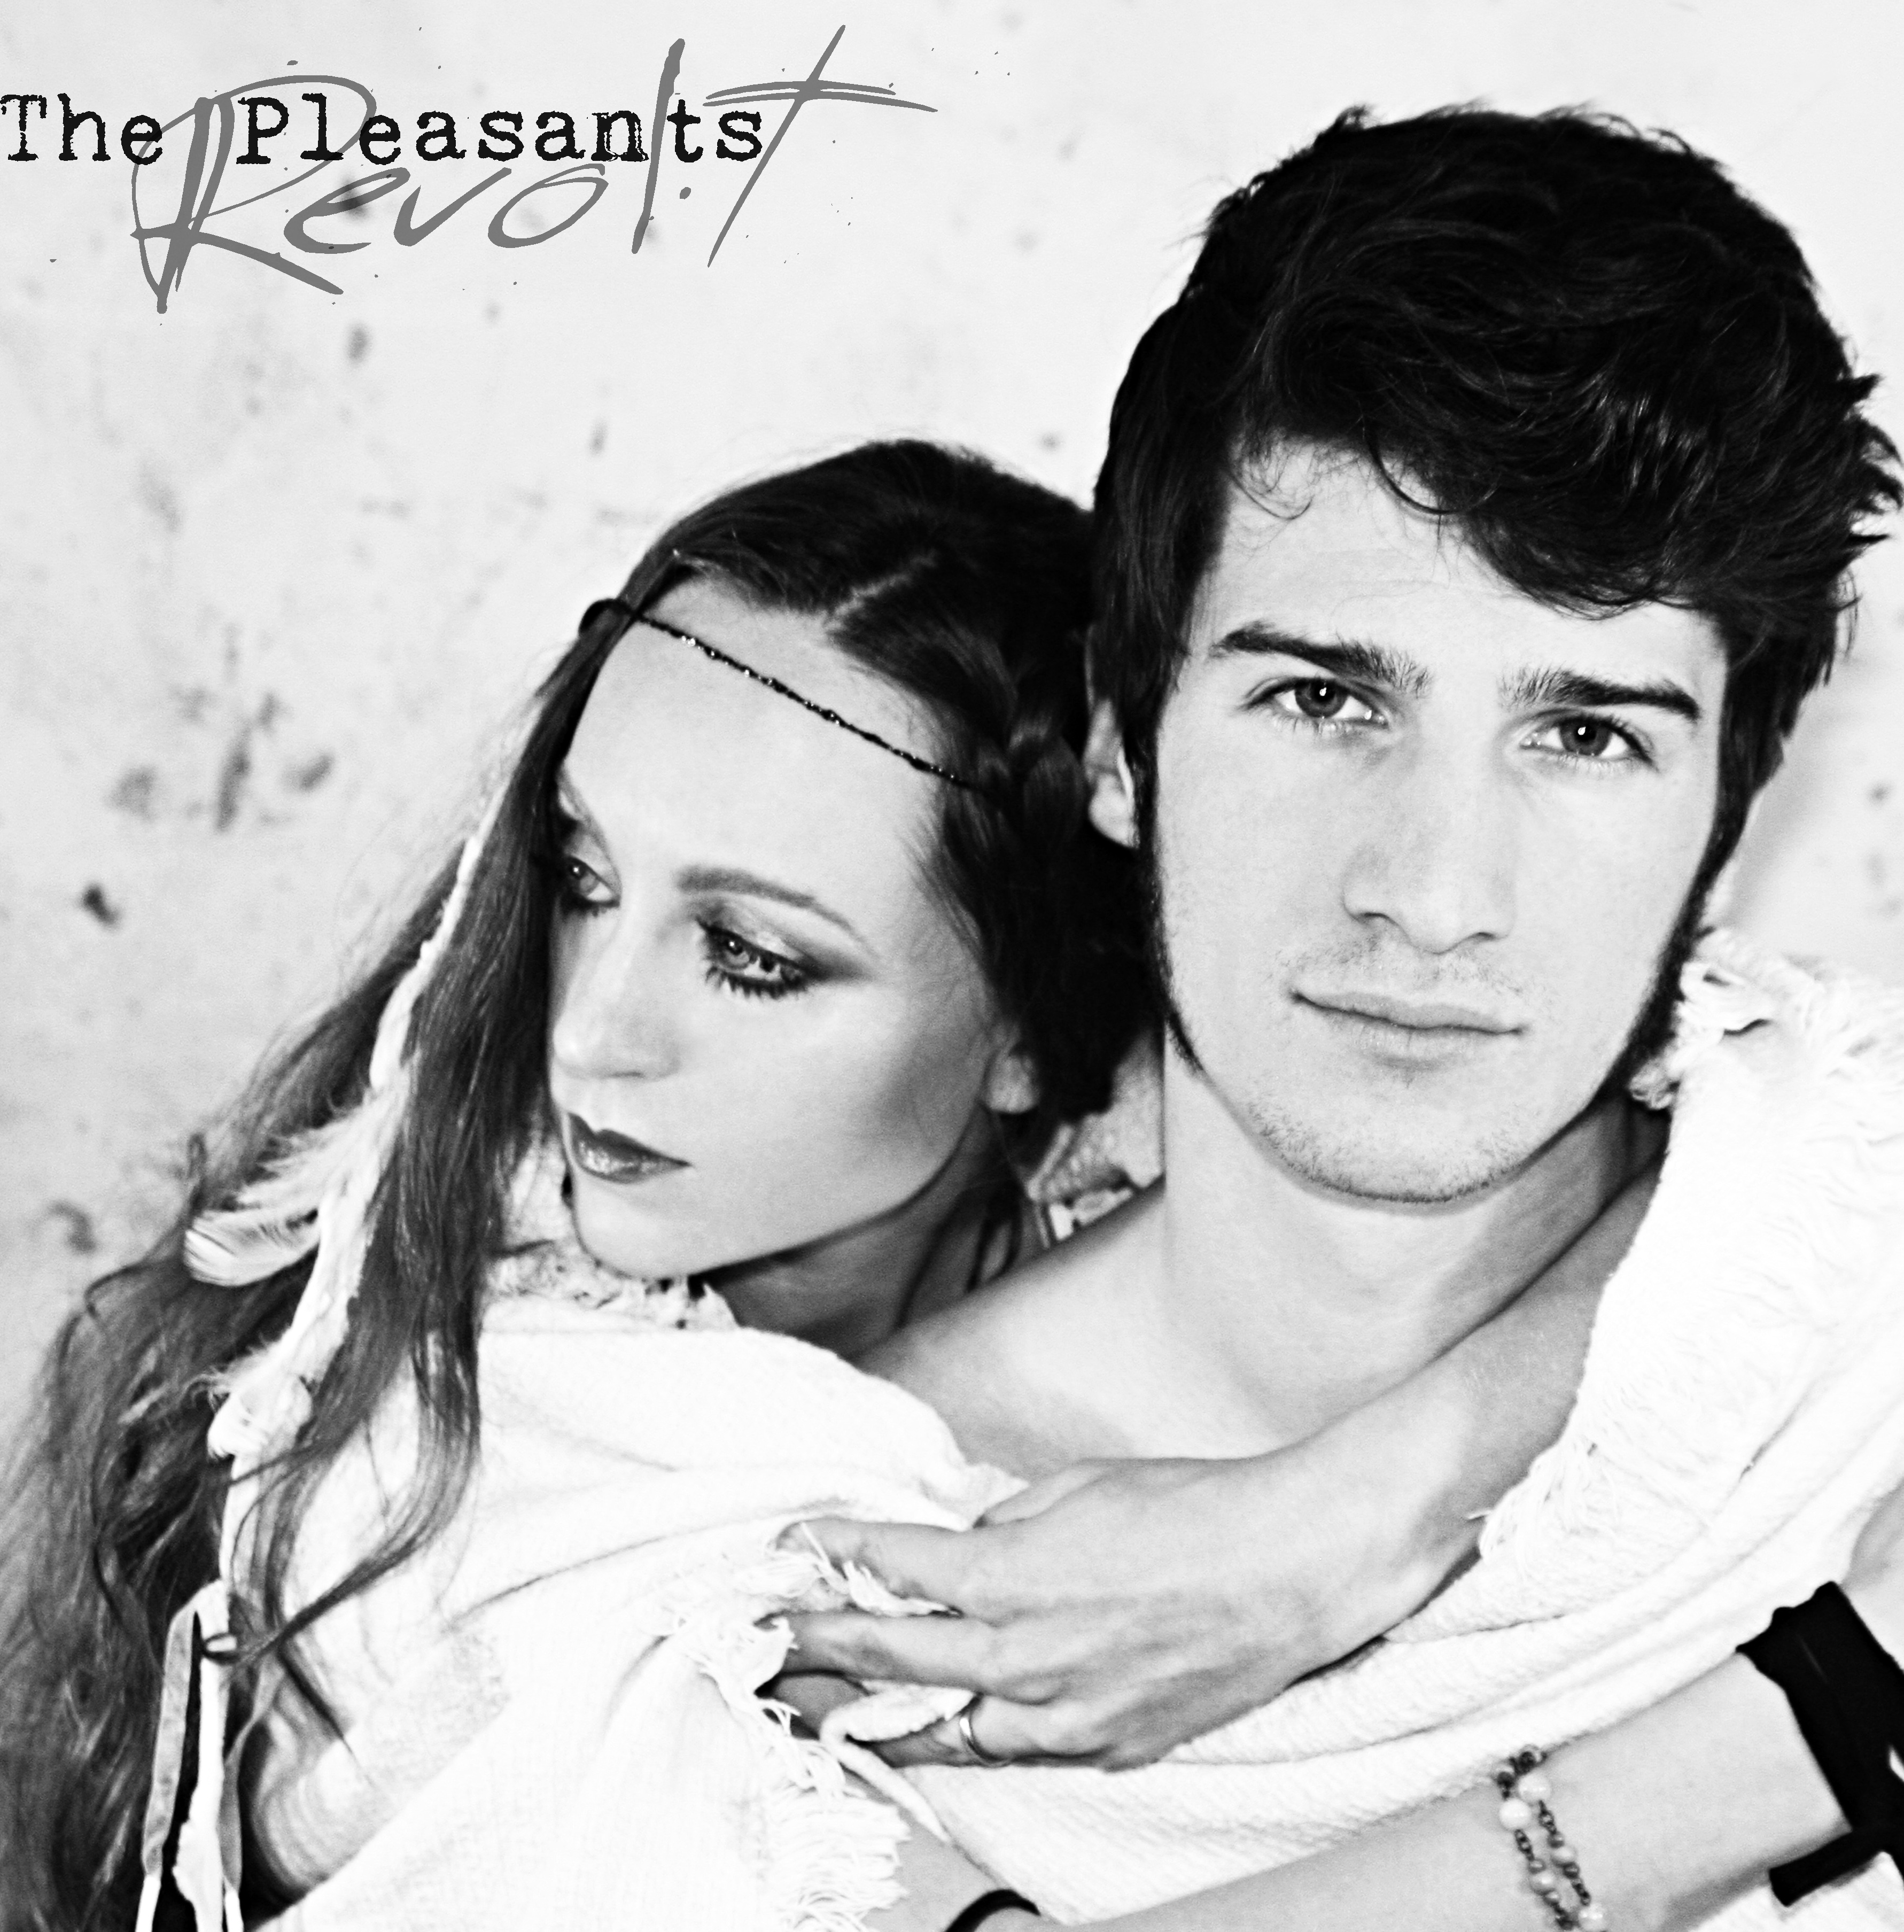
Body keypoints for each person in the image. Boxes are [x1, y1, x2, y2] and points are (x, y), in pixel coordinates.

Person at [0, 437, 1614, 1932]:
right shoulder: (448, 1448)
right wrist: (1748, 1746)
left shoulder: (1220, 1252)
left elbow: (1731, 1170)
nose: (593, 1034)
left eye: (750, 957)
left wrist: (1369, 1502)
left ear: (1029, 1035)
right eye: (579, 880)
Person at [770, 105, 1904, 1929]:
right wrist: (1841, 1711)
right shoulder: (833, 1555)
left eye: (1586, 734)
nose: (1434, 890)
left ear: (1728, 811)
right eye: (1323, 701)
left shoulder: (1864, 1299)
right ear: (1123, 743)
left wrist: (1387, 1504)